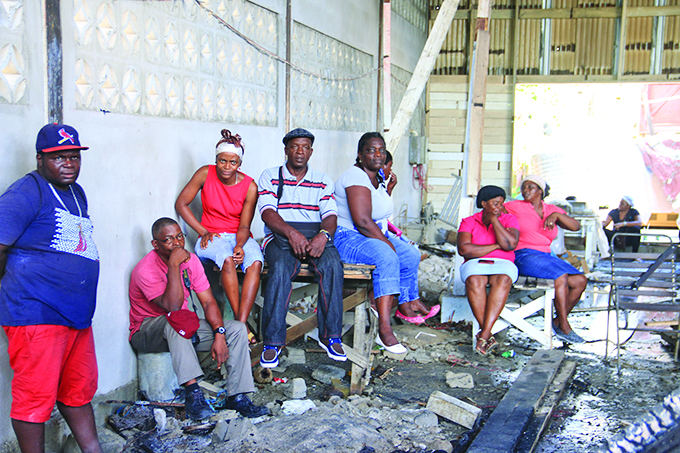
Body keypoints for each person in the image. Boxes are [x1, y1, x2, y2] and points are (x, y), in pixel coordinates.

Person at [0, 124, 102, 453]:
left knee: (77, 391)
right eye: (59, 157)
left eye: (73, 156)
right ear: (40, 159)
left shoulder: (76, 192)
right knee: (34, 400)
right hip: (37, 314)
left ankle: (93, 450)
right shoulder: (25, 194)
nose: (69, 163)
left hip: (75, 317)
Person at [128, 218, 268, 420]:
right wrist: (174, 265)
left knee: (236, 329)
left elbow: (209, 302)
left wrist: (219, 334)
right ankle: (193, 395)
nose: (176, 243)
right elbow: (173, 307)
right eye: (169, 240)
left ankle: (238, 397)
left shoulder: (191, 261)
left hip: (183, 325)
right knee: (175, 321)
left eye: (179, 237)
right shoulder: (145, 269)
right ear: (155, 244)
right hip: (147, 330)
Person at [334, 132, 436, 355]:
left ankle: (406, 303)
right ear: (360, 155)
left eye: (381, 150)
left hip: (372, 234)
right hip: (348, 237)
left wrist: (388, 241)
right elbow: (361, 221)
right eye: (371, 150)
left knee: (409, 254)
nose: (377, 154)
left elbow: (378, 215)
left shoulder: (377, 178)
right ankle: (384, 329)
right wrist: (387, 245)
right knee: (387, 256)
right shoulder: (355, 176)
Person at [256, 128, 346, 368]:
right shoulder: (270, 176)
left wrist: (323, 236)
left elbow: (330, 215)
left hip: (315, 234)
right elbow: (267, 213)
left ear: (311, 151)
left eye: (305, 147)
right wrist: (291, 233)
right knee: (281, 269)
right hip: (281, 235)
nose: (300, 152)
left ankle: (331, 337)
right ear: (286, 150)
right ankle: (273, 342)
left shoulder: (322, 179)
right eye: (295, 146)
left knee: (332, 265)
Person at [175, 129, 263, 344]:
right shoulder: (205, 173)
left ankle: (241, 324)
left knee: (256, 262)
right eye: (222, 161)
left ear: (239, 164)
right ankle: (241, 325)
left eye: (232, 162)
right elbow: (181, 204)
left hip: (238, 236)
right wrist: (202, 231)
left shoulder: (250, 186)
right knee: (227, 260)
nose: (226, 166)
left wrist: (240, 245)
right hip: (210, 237)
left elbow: (244, 225)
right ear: (216, 160)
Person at [504, 175, 588, 344]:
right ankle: (564, 325)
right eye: (524, 187)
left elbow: (575, 226)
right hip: (523, 254)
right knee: (560, 277)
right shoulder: (515, 206)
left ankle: (557, 321)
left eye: (531, 187)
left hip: (547, 256)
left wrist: (557, 215)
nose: (525, 190)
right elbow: (495, 214)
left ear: (541, 191)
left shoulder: (550, 209)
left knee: (580, 280)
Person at [457, 186, 519, 355]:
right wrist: (497, 245)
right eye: (495, 203)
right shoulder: (469, 221)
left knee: (503, 279)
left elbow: (511, 245)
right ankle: (487, 333)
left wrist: (495, 221)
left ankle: (484, 333)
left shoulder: (509, 220)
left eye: (501, 204)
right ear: (484, 203)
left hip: (503, 264)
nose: (500, 207)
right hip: (475, 263)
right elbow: (464, 250)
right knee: (474, 280)